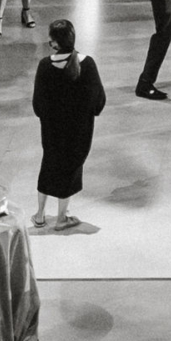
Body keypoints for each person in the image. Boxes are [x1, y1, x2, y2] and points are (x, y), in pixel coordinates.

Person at [32, 18, 105, 231]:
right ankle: (62, 218)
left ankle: (39, 215)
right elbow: (98, 100)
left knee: (48, 166)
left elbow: (38, 104)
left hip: (52, 131)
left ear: (54, 43)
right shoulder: (87, 64)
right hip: (79, 132)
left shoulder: (45, 65)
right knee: (69, 170)